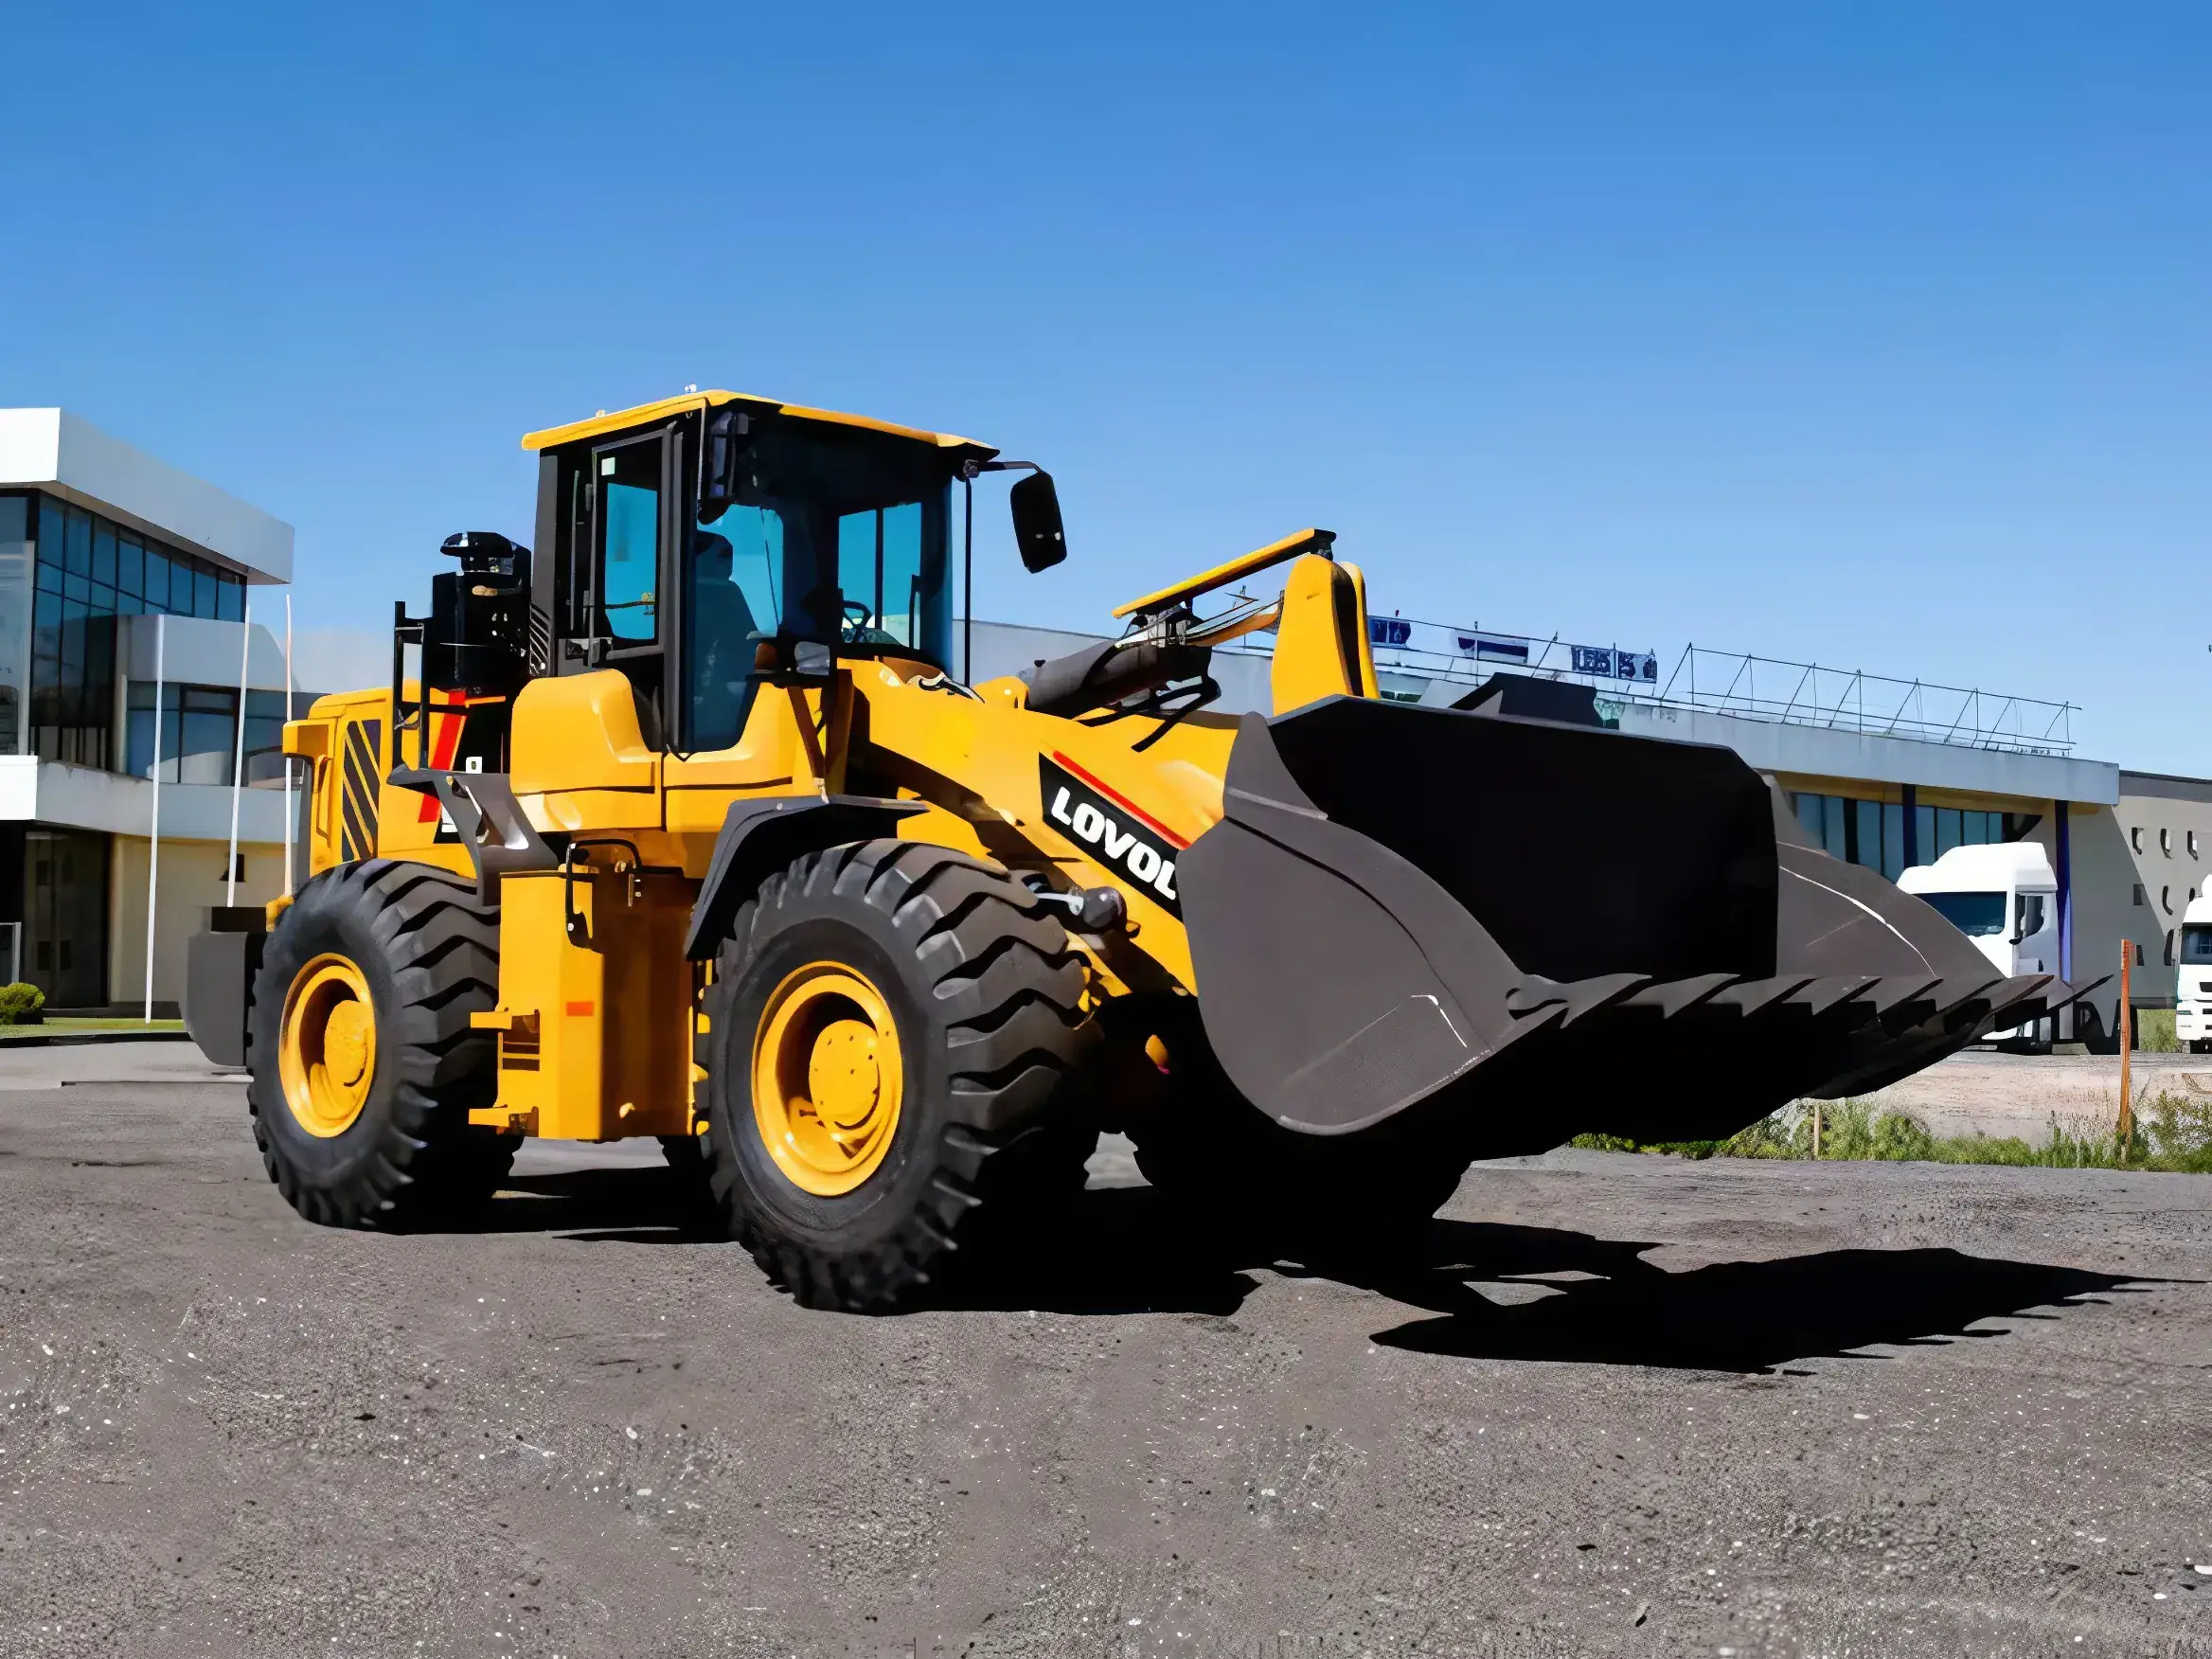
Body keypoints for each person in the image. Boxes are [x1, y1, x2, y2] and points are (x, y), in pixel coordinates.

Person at [687, 531, 758, 750]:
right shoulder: (726, 593)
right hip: (712, 698)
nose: (728, 566)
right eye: (723, 558)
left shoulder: (675, 591)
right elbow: (745, 643)